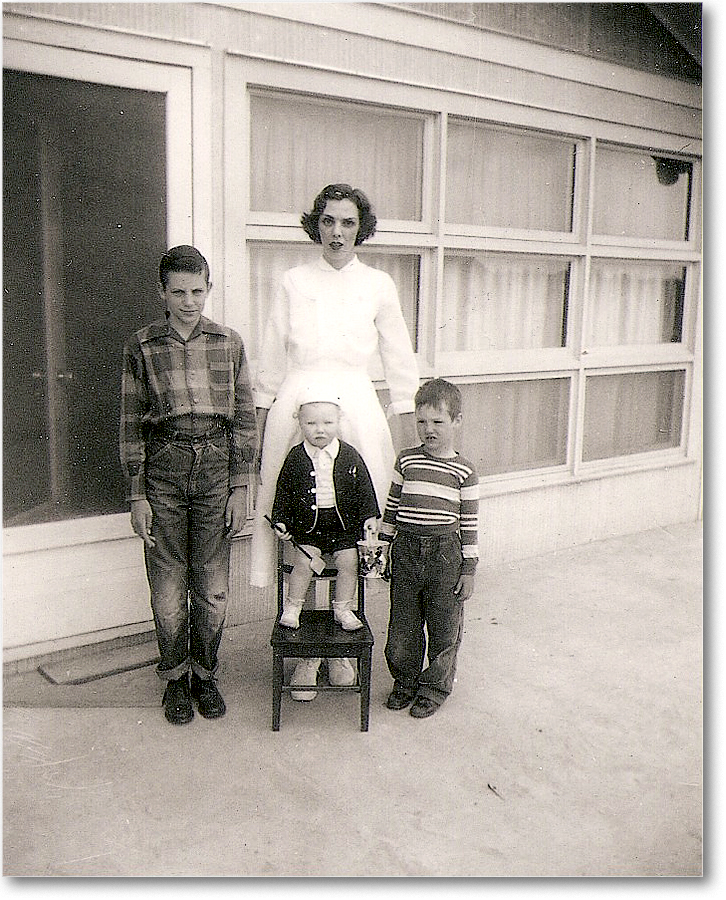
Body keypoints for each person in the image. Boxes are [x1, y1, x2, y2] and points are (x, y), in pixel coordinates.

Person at [250, 183, 419, 696]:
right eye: (328, 221)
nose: (337, 232)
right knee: (302, 533)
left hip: (357, 410)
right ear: (315, 225)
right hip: (299, 406)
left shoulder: (379, 284)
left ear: (359, 228)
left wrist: (405, 421)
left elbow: (397, 356)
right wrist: (263, 434)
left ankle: (340, 651)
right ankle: (305, 657)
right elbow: (272, 358)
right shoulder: (292, 281)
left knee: (349, 533)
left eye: (347, 222)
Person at [120, 245, 257, 725]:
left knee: (213, 583)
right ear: (162, 291)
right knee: (168, 584)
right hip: (164, 466)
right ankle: (176, 678)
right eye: (177, 291)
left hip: (217, 464)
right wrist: (137, 493)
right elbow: (131, 421)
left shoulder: (229, 343)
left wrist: (242, 487)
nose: (188, 301)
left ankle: (206, 674)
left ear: (209, 289)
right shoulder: (142, 345)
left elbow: (243, 418)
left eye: (197, 290)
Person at [378, 379, 479, 719]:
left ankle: (434, 688)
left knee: (443, 626)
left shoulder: (464, 471)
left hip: (445, 555)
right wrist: (383, 548)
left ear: (457, 421)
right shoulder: (406, 461)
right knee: (403, 626)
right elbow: (391, 508)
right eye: (421, 421)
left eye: (438, 422)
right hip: (405, 550)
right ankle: (404, 683)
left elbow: (469, 525)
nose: (428, 429)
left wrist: (468, 570)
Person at [271, 387, 380, 699]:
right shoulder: (295, 457)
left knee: (349, 561)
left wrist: (370, 516)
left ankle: (342, 610)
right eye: (311, 424)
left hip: (342, 525)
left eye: (327, 424)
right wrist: (281, 520)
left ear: (339, 421)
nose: (319, 430)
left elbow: (364, 490)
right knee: (305, 561)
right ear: (299, 423)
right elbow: (284, 492)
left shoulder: (349, 455)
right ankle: (293, 608)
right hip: (309, 526)